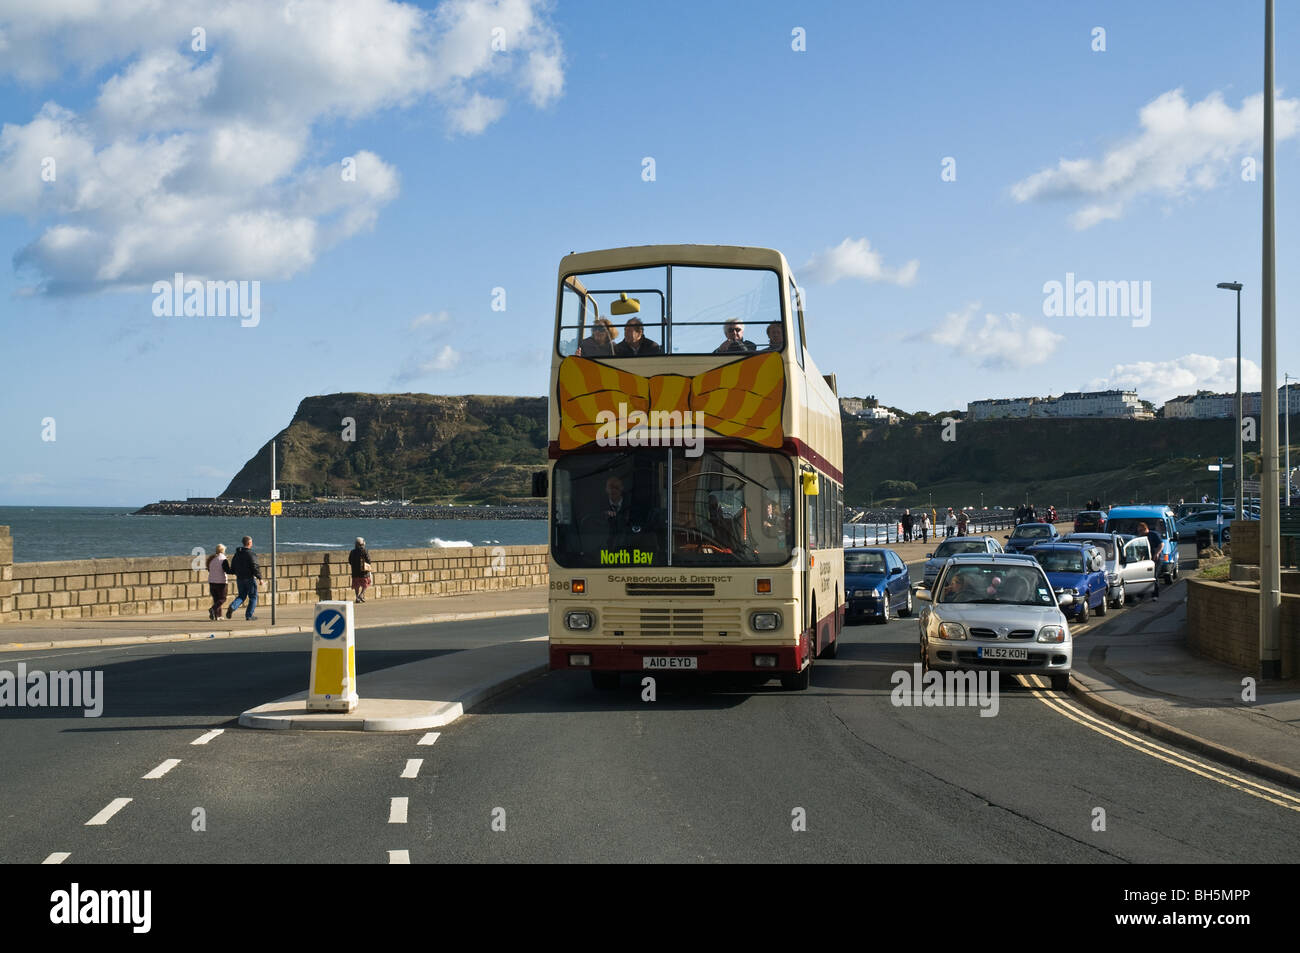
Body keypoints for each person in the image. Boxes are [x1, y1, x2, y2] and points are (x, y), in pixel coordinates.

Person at [226, 536, 263, 620]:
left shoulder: (237, 553)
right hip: (249, 578)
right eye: (251, 542)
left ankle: (232, 606)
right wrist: (260, 578)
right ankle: (249, 615)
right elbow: (255, 566)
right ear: (249, 543)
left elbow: (233, 566)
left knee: (242, 596)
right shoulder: (251, 554)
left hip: (240, 578)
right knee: (253, 597)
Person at [1139, 522, 1162, 600]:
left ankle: (1155, 595)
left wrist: (1157, 554)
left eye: (1141, 530)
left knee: (1154, 576)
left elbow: (1161, 544)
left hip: (1155, 559)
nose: (1140, 532)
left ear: (1146, 529)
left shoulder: (1153, 534)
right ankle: (1141, 595)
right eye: (1139, 531)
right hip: (1146, 559)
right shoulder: (1141, 537)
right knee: (1142, 576)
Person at [206, 543, 229, 621]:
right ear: (223, 550)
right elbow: (227, 570)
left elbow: (209, 569)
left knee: (216, 599)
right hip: (221, 582)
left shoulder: (211, 559)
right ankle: (212, 609)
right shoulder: (223, 559)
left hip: (212, 581)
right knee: (223, 598)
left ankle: (218, 616)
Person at [348, 536, 372, 602]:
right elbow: (369, 561)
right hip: (363, 572)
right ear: (363, 544)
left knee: (356, 586)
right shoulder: (364, 551)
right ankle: (361, 595)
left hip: (355, 572)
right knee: (365, 584)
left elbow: (350, 561)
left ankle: (357, 597)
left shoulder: (352, 551)